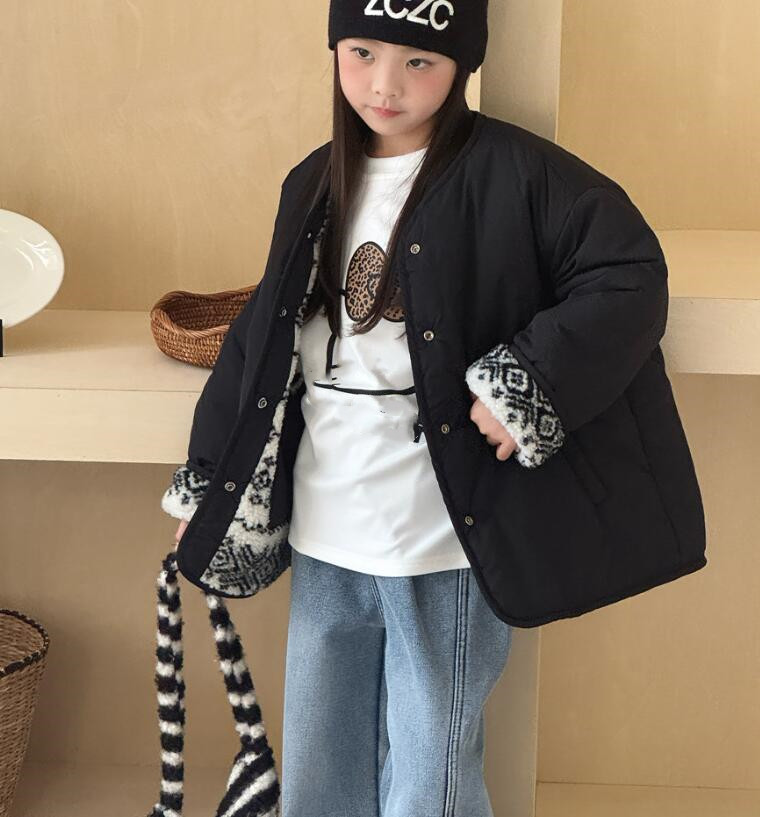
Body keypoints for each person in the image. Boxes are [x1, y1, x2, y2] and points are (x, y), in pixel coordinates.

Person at [160, 1, 706, 815]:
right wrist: (210, 487)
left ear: (462, 63)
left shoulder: (519, 175)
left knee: (431, 764)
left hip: (440, 536)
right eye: (363, 52)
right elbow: (255, 344)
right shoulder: (313, 182)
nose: (385, 85)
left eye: (419, 60)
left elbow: (628, 275)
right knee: (320, 758)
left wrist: (526, 384)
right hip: (326, 526)